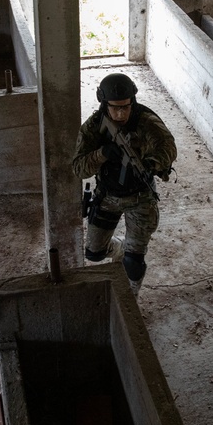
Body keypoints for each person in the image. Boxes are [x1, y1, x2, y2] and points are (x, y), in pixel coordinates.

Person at [73, 73, 177, 296]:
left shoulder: (146, 120)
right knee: (94, 253)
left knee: (134, 262)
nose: (120, 113)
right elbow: (79, 169)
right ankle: (119, 247)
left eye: (126, 107)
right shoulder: (93, 126)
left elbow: (168, 146)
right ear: (103, 103)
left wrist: (151, 164)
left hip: (140, 198)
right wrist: (102, 154)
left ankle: (131, 297)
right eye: (114, 108)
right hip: (107, 196)